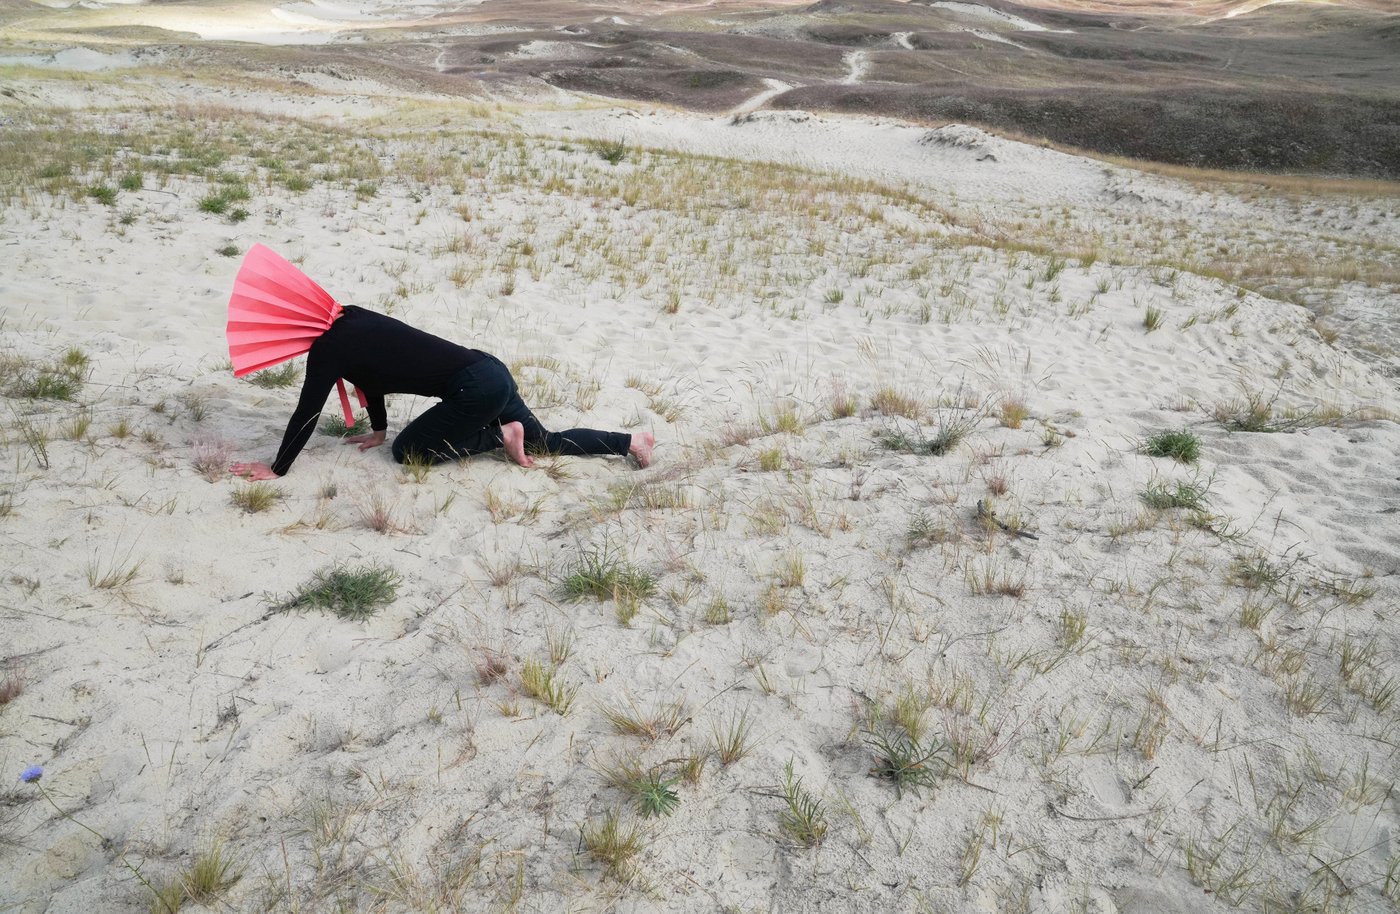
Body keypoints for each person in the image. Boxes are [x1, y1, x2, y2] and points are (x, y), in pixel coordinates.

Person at [230, 306, 653, 479]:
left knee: (407, 453)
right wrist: (376, 429)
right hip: (489, 370)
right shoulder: (348, 317)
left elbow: (306, 411)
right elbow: (370, 372)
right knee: (546, 442)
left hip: (474, 390)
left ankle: (496, 436)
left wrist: (278, 467)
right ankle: (632, 441)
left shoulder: (325, 350)